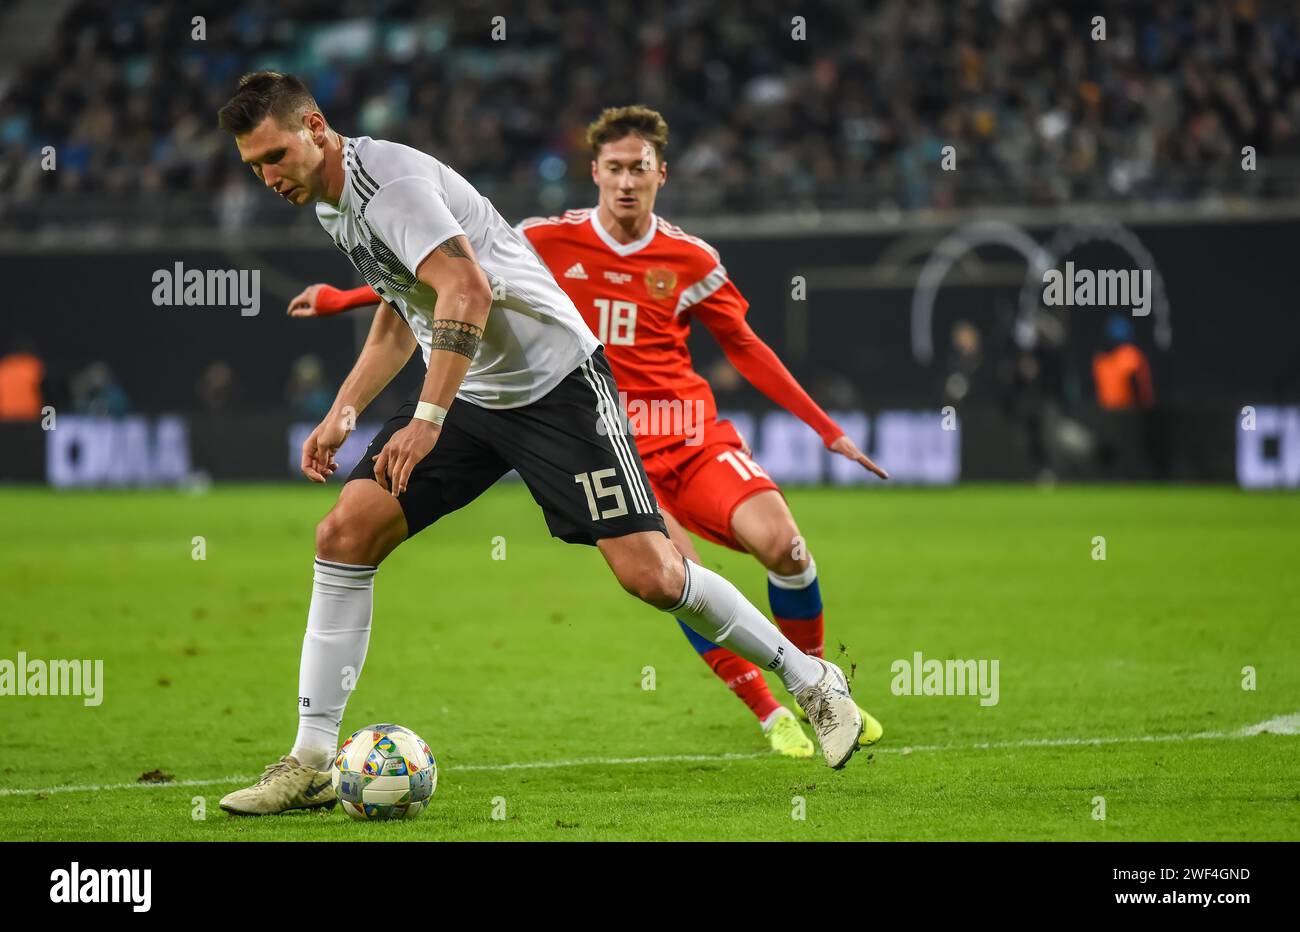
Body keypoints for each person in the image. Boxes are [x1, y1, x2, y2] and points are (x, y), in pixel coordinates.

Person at [215, 73, 865, 815]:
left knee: (653, 576)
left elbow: (467, 291)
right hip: (468, 389)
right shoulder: (331, 200)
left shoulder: (387, 184)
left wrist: (426, 419)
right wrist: (344, 411)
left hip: (555, 385)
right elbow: (405, 303)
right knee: (345, 533)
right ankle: (311, 761)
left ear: (317, 127)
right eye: (254, 166)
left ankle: (811, 680)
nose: (268, 177)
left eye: (275, 155)